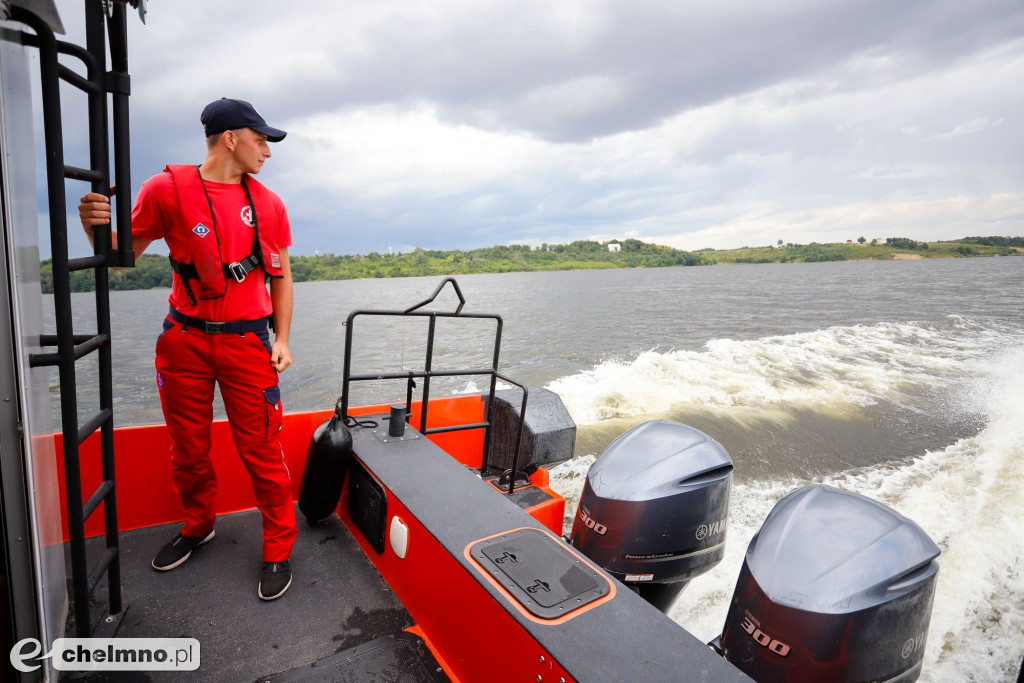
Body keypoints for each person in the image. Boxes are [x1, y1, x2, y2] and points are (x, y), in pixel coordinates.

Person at [79, 98, 298, 601]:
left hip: (248, 343)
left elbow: (281, 278)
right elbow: (119, 258)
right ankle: (199, 524)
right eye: (260, 139)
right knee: (188, 450)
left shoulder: (269, 203)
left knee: (263, 452)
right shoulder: (165, 190)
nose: (267, 150)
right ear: (230, 138)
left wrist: (282, 339)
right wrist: (92, 224)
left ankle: (279, 546)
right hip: (183, 342)